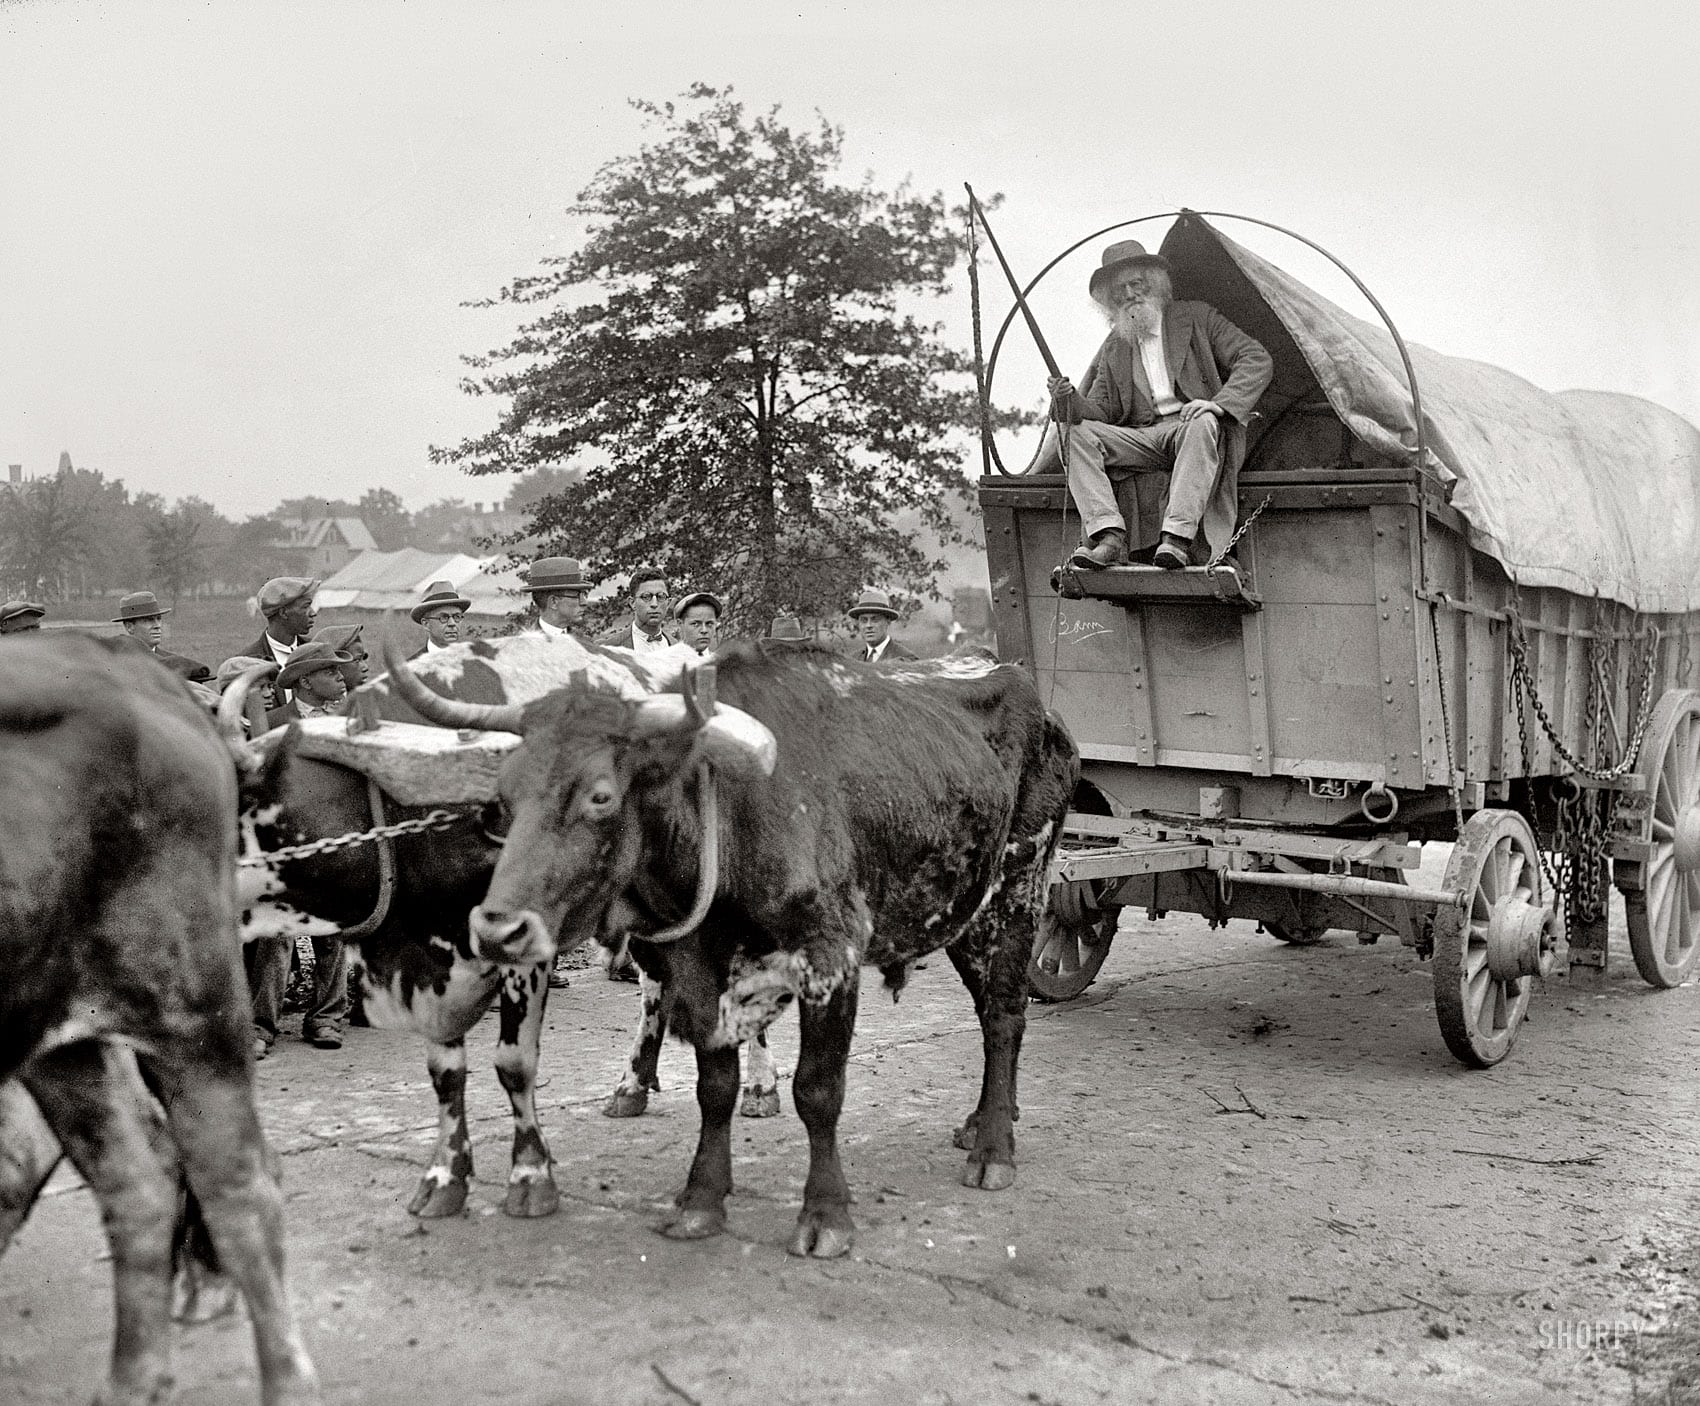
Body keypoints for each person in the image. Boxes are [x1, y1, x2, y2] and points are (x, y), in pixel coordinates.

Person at [1042, 240, 1273, 570]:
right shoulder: (1115, 346)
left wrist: (1218, 405)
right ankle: (1107, 536)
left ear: (1154, 284)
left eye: (1137, 283)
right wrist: (1069, 400)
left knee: (1202, 422)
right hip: (1142, 439)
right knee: (1073, 432)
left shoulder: (1196, 317)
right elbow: (1101, 410)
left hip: (1189, 430)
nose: (1131, 294)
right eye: (1120, 290)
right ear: (1111, 301)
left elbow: (1256, 358)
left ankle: (1176, 541)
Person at [241, 578, 320, 696]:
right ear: (283, 613)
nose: (313, 613)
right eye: (305, 606)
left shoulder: (317, 652)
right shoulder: (247, 662)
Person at [112, 590, 212, 681]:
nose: (157, 626)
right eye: (149, 620)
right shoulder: (113, 663)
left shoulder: (180, 666)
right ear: (130, 627)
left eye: (158, 619)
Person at [266, 642, 353, 724]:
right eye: (330, 673)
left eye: (338, 670)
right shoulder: (273, 722)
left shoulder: (351, 716)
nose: (341, 677)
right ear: (306, 682)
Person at [598, 566, 675, 652]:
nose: (654, 604)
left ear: (668, 602)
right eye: (646, 597)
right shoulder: (608, 648)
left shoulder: (677, 648)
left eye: (661, 596)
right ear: (632, 602)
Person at [523, 556, 592, 639]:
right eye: (577, 596)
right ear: (554, 602)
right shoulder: (522, 647)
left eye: (584, 594)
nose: (584, 602)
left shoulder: (585, 643)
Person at [848, 588, 916, 662]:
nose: (868, 625)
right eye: (864, 620)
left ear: (888, 621)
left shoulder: (907, 659)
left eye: (875, 619)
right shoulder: (852, 660)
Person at [409, 581, 470, 657]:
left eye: (457, 617)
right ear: (426, 624)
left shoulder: (476, 664)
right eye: (444, 617)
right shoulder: (412, 667)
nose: (452, 623)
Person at [673, 591, 722, 655]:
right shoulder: (665, 661)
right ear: (680, 624)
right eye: (695, 624)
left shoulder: (721, 663)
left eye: (709, 624)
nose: (704, 630)